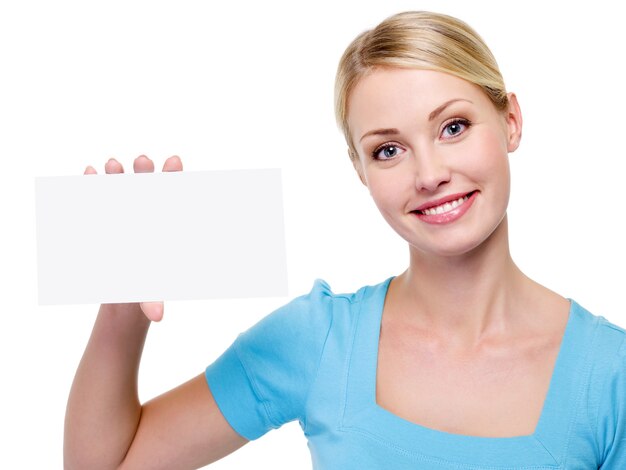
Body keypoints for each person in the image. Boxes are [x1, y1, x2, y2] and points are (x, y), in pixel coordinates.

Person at [64, 11, 626, 469]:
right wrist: (122, 307)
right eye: (388, 149)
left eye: (453, 127)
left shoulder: (611, 375)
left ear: (510, 121)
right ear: (359, 169)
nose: (428, 173)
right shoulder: (318, 340)